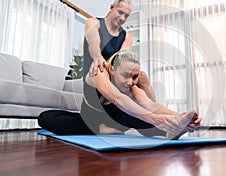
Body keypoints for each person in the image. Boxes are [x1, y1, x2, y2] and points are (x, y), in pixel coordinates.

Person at [38, 50, 202, 140]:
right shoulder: (99, 73)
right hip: (90, 121)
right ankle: (101, 130)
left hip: (118, 120)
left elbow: (149, 104)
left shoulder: (133, 83)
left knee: (138, 116)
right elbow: (117, 98)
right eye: (126, 75)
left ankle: (170, 131)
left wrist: (180, 117)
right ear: (112, 69)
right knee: (46, 117)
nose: (131, 82)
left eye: (135, 76)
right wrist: (155, 118)